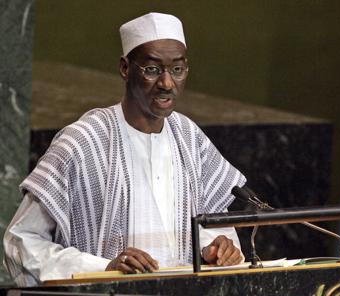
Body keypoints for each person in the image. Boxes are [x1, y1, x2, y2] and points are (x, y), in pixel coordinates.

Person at [3, 12, 246, 286]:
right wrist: (103, 268)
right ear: (125, 68)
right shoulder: (82, 142)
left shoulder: (191, 138)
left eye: (177, 69)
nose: (167, 83)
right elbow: (21, 241)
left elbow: (211, 225)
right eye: (152, 69)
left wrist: (216, 248)